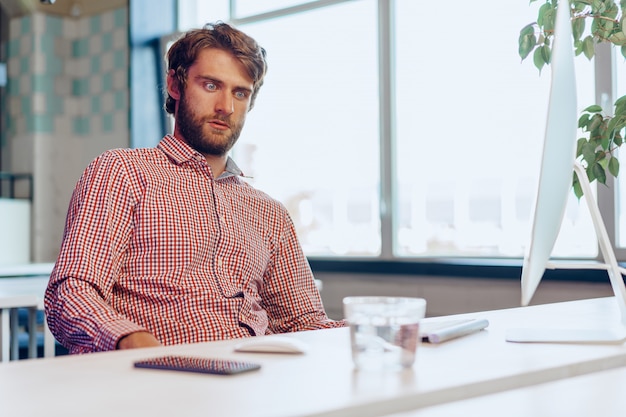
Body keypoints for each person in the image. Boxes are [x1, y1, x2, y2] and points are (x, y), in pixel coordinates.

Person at [44, 22, 345, 354]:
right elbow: (71, 292)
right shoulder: (122, 172)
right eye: (211, 85)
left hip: (255, 385)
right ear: (175, 84)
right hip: (151, 379)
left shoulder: (269, 212)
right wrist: (128, 338)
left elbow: (304, 322)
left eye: (240, 92)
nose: (226, 107)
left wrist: (390, 328)